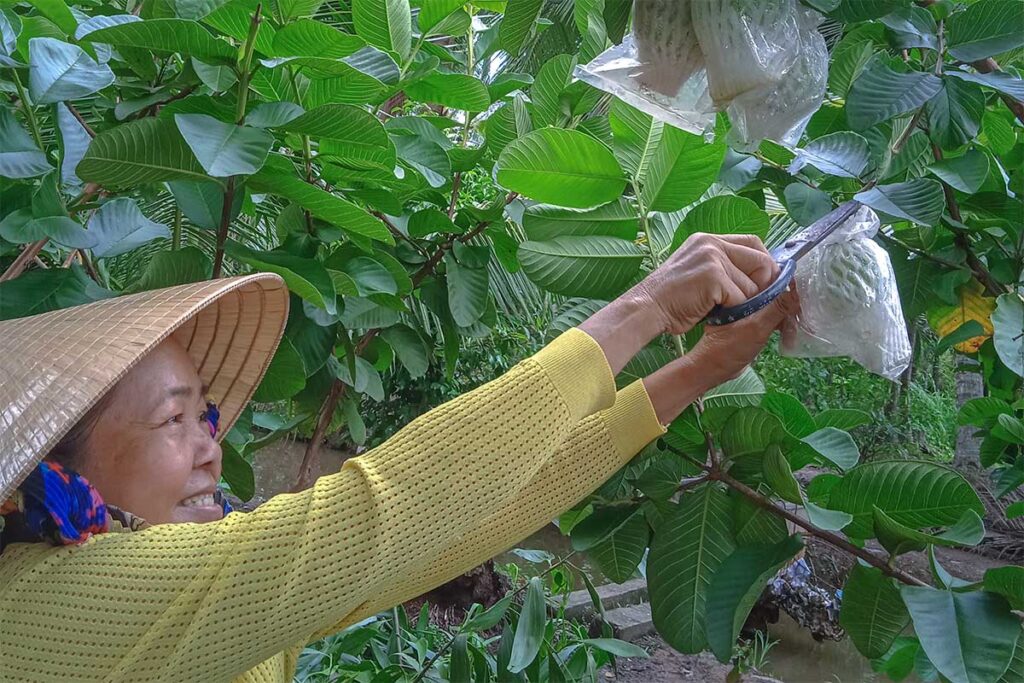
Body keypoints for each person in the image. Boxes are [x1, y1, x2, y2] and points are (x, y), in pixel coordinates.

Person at [0, 232, 797, 682]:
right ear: (49, 468)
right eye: (175, 419)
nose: (213, 446)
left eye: (204, 414)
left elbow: (444, 531)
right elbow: (378, 513)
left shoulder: (191, 591)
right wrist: (643, 310)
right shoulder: (41, 602)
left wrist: (697, 371)